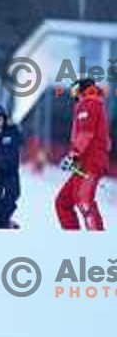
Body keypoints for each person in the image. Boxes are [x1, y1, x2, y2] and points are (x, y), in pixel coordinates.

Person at [55, 78, 111, 230]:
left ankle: (96, 240)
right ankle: (74, 238)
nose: (73, 96)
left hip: (90, 162)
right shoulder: (90, 103)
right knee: (63, 202)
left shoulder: (89, 103)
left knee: (84, 200)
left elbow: (86, 133)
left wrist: (73, 154)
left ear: (80, 89)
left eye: (74, 91)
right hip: (84, 162)